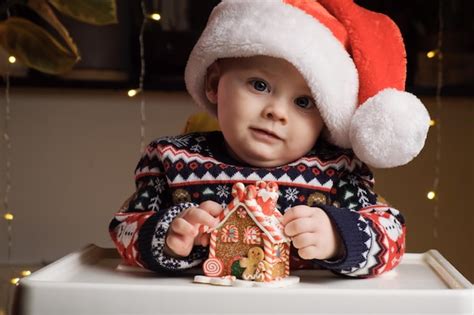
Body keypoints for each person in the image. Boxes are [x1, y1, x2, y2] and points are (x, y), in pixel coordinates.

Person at [109, 0, 430, 278]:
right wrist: (168, 235)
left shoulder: (336, 171)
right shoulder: (172, 159)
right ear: (214, 83)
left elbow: (392, 234)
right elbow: (125, 227)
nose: (277, 112)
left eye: (304, 102)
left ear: (326, 118)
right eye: (259, 85)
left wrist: (339, 236)